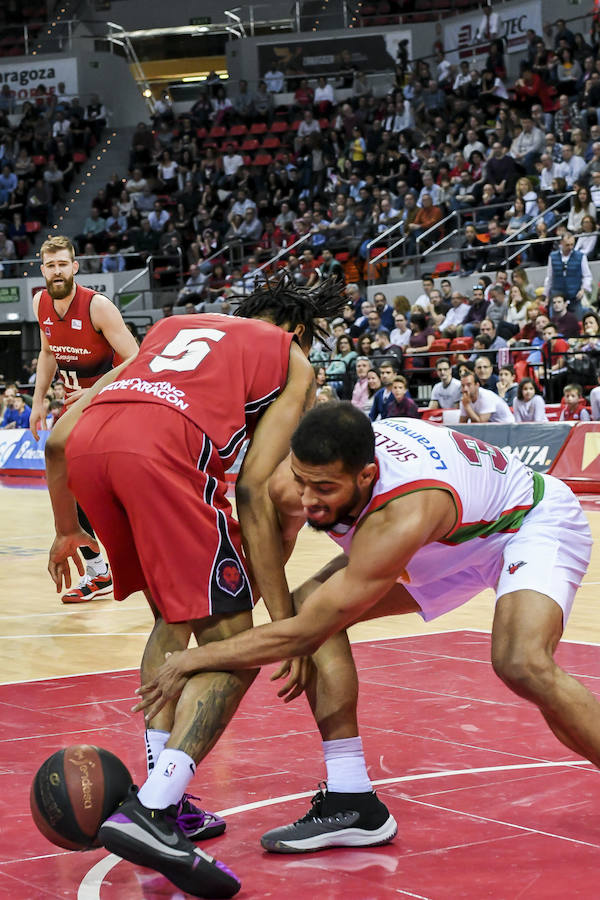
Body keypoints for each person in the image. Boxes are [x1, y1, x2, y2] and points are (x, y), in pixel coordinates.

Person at [134, 402, 594, 859]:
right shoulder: (293, 485)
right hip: (449, 537)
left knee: (521, 662)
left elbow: (310, 631)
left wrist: (198, 656)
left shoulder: (402, 514)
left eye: (325, 489)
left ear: (367, 476)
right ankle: (352, 798)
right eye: (301, 480)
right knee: (307, 607)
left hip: (523, 523)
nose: (309, 500)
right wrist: (277, 622)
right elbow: (278, 551)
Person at [44, 274, 345, 897]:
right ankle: (153, 811)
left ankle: (163, 795)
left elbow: (56, 439)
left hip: (93, 452)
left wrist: (65, 531)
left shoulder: (170, 329)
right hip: (160, 453)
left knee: (171, 619)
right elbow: (257, 490)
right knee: (232, 639)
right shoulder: (289, 356)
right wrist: (286, 627)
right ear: (295, 330)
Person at [30, 236, 139, 603]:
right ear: (42, 268)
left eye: (63, 264)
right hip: (74, 409)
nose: (57, 270)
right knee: (72, 487)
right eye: (50, 265)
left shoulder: (98, 307)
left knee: (88, 486)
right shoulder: (39, 302)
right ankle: (98, 570)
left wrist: (93, 394)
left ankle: (113, 565)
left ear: (74, 267)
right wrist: (37, 402)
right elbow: (48, 353)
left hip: (109, 404)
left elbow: (135, 361)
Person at [543, 232, 592, 318]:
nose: (570, 247)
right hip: (557, 297)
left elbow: (587, 275)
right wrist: (546, 295)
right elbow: (550, 277)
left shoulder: (581, 256)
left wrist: (583, 289)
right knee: (557, 324)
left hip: (575, 297)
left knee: (577, 324)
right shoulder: (552, 256)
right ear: (561, 243)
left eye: (572, 244)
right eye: (567, 245)